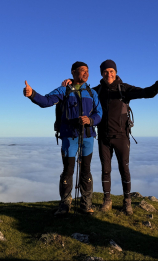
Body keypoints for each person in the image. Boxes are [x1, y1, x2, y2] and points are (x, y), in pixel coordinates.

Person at [62, 59, 158, 215]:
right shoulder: (96, 90)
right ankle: (107, 200)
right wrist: (70, 83)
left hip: (121, 137)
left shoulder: (124, 89)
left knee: (124, 169)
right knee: (106, 170)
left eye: (111, 71)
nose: (108, 74)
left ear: (116, 72)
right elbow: (79, 92)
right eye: (105, 71)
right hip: (104, 137)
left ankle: (127, 202)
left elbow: (146, 93)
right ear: (102, 74)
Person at [24, 61, 102, 215]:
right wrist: (32, 94)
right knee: (68, 171)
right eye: (82, 70)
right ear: (73, 72)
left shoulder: (92, 93)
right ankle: (65, 205)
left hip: (87, 136)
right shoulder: (64, 90)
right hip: (69, 137)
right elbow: (46, 101)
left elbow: (99, 113)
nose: (86, 73)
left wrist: (90, 120)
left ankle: (86, 205)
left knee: (86, 170)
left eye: (87, 71)